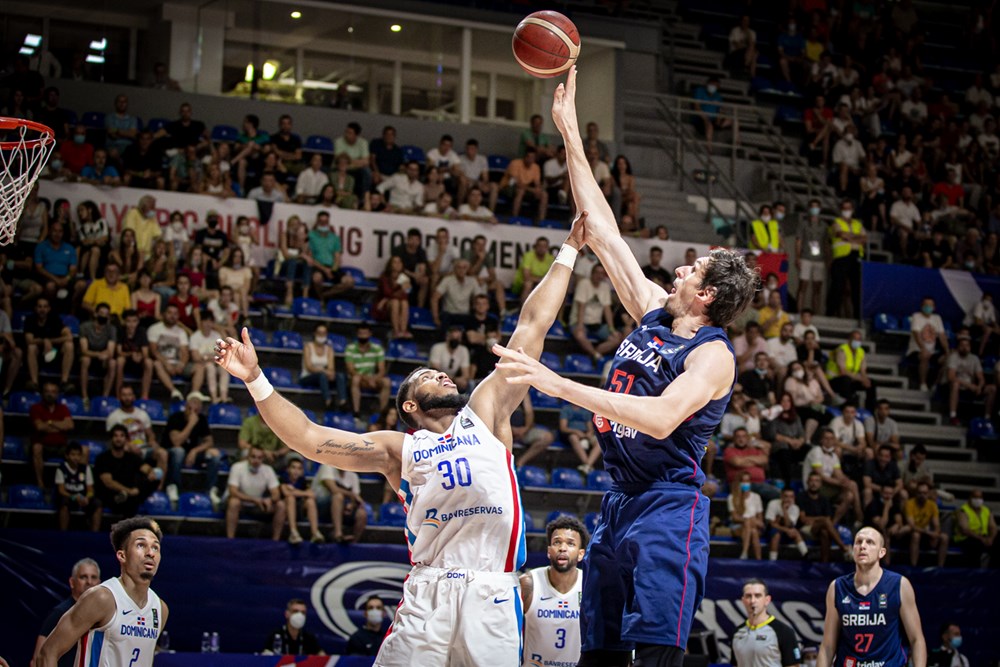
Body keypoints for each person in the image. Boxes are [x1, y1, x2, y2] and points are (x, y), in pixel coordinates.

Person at [214, 212, 588, 666]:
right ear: (410, 405)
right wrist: (255, 378)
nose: (442, 374)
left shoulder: (485, 413)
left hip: (492, 587)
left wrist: (568, 251)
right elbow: (310, 439)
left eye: (442, 371)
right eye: (427, 376)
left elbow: (532, 326)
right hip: (429, 591)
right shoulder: (399, 448)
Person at [493, 68, 757, 665]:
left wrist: (558, 384)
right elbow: (603, 228)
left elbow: (662, 418)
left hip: (670, 506)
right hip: (619, 499)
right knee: (601, 650)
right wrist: (569, 134)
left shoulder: (712, 357)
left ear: (709, 295)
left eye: (693, 268)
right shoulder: (655, 312)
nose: (681, 268)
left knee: (654, 652)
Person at [37, 517, 168, 667]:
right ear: (122, 555)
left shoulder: (160, 609)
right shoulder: (103, 597)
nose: (150, 553)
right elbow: (47, 653)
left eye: (155, 547)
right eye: (141, 545)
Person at [816, 527, 926, 666]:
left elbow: (917, 639)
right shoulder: (837, 587)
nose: (862, 546)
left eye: (870, 542)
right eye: (858, 542)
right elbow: (827, 646)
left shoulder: (899, 585)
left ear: (882, 552)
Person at [520, 516, 588, 667]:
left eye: (570, 543)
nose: (562, 548)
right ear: (549, 551)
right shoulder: (528, 583)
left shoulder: (589, 585)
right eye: (557, 542)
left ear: (581, 554)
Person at [32, 558, 101, 667]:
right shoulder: (59, 613)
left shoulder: (104, 615)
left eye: (93, 577)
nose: (89, 582)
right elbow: (37, 659)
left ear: (99, 583)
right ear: (72, 582)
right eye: (83, 577)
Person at [730, 578, 801, 666]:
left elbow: (793, 665)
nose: (753, 601)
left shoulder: (784, 632)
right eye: (748, 596)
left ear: (767, 600)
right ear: (743, 600)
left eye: (757, 595)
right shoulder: (737, 633)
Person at [225, 445, 286, 540]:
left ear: (263, 459)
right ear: (248, 457)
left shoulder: (268, 470)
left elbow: (276, 493)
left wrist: (270, 500)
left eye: (259, 458)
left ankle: (276, 541)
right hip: (241, 504)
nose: (256, 460)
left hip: (259, 506)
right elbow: (233, 491)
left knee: (281, 505)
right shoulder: (237, 467)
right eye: (253, 457)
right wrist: (254, 500)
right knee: (234, 502)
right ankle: (230, 539)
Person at [798, 471, 852, 562]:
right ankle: (843, 548)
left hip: (820, 527)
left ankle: (824, 563)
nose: (814, 483)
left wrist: (816, 520)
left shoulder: (824, 499)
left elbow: (828, 519)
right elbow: (803, 519)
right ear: (807, 482)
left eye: (817, 481)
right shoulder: (801, 497)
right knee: (825, 523)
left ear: (821, 484)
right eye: (812, 481)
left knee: (824, 532)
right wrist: (821, 519)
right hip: (805, 529)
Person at [313, 464, 368, 543]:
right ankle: (338, 533)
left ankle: (353, 543)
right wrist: (351, 494)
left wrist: (351, 505)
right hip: (321, 507)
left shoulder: (353, 476)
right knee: (338, 497)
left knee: (362, 513)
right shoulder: (327, 467)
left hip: (343, 508)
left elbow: (357, 499)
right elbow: (333, 489)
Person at [344, 325, 392, 416]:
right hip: (359, 378)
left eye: (365, 333)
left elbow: (382, 369)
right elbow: (350, 370)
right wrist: (367, 379)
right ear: (357, 334)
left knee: (387, 381)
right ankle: (356, 412)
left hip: (373, 378)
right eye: (361, 333)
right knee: (355, 379)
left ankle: (383, 413)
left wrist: (373, 379)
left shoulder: (377, 348)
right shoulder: (350, 348)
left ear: (370, 334)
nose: (363, 336)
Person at [54, 442, 102, 532]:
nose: (75, 457)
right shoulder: (61, 468)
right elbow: (61, 490)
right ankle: (63, 532)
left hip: (83, 498)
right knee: (63, 503)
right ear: (67, 455)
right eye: (73, 454)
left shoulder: (86, 468)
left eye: (78, 455)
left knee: (97, 503)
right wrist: (74, 497)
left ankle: (95, 533)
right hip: (69, 497)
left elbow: (90, 489)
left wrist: (87, 497)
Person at [908, 297, 949, 392]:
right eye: (926, 305)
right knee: (925, 355)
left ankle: (935, 384)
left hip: (933, 352)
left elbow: (942, 336)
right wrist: (923, 348)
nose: (928, 307)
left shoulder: (937, 318)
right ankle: (923, 383)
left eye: (930, 305)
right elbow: (916, 334)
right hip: (916, 351)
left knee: (949, 359)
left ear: (934, 307)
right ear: (922, 306)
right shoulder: (916, 316)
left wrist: (947, 351)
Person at [905, 481, 949, 567]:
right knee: (916, 535)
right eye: (920, 493)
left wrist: (935, 534)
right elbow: (912, 525)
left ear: (928, 494)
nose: (922, 495)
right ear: (916, 493)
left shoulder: (932, 505)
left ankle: (940, 567)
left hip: (927, 533)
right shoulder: (909, 503)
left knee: (944, 537)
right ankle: (913, 566)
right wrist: (928, 533)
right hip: (912, 533)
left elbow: (936, 524)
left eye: (924, 493)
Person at [280, 458, 323, 545]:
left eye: (299, 468)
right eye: (293, 468)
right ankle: (293, 533)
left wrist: (294, 491)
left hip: (300, 511)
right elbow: (286, 493)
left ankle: (315, 533)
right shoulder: (283, 478)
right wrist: (303, 493)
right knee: (290, 498)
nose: (296, 471)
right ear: (288, 469)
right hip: (285, 512)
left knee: (310, 501)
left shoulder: (302, 481)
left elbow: (311, 495)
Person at [953, 488, 997, 568]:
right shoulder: (963, 510)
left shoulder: (986, 510)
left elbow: (993, 526)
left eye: (980, 498)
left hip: (984, 537)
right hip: (966, 538)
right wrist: (982, 539)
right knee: (975, 545)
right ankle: (975, 572)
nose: (978, 500)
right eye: (975, 497)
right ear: (970, 498)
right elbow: (964, 529)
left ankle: (993, 571)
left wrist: (991, 538)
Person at [766, 488, 809, 561]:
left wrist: (784, 510)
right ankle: (772, 561)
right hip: (771, 531)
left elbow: (789, 525)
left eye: (791, 497)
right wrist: (786, 530)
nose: (789, 499)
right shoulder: (773, 503)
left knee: (795, 531)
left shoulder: (795, 508)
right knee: (776, 534)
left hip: (786, 533)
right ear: (781, 496)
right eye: (786, 496)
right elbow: (772, 524)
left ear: (794, 498)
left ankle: (806, 555)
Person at [729, 471, 765, 560]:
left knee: (753, 530)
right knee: (751, 528)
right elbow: (734, 517)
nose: (746, 483)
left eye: (748, 481)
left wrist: (752, 520)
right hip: (738, 526)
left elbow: (761, 522)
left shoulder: (756, 497)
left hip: (754, 525)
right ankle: (758, 559)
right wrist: (747, 519)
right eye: (743, 481)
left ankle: (745, 553)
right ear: (739, 483)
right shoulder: (732, 497)